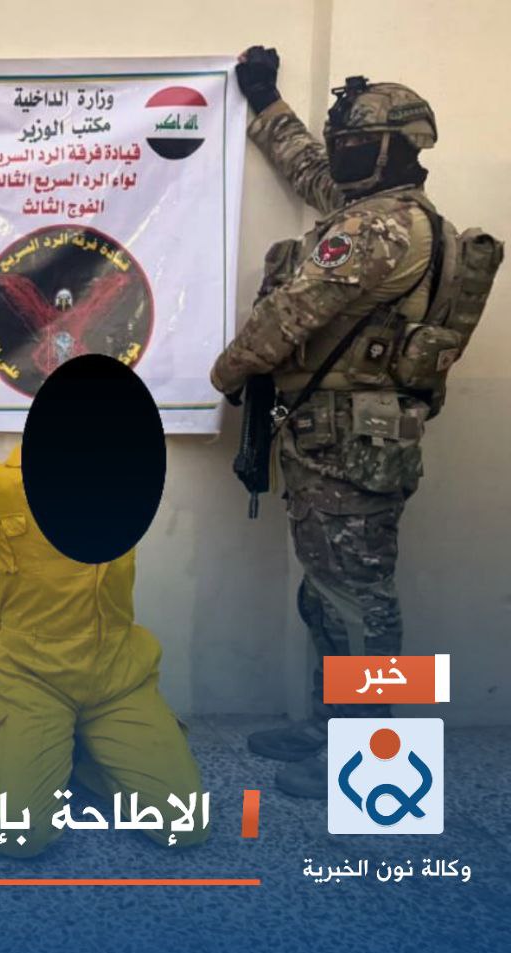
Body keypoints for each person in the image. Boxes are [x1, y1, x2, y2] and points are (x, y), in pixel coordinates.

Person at [211, 47, 444, 797]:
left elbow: (291, 314)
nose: (340, 153)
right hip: (341, 438)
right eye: (340, 141)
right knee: (328, 593)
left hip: (350, 444)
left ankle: (380, 765)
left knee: (361, 601)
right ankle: (329, 727)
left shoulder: (379, 229)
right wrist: (266, 101)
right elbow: (311, 170)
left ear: (400, 148)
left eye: (356, 143)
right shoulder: (378, 209)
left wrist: (225, 372)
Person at [0, 446, 206, 856]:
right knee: (17, 838)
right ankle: (39, 749)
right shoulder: (8, 485)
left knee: (186, 826)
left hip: (118, 674)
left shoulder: (126, 480)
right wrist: (28, 629)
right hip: (28, 674)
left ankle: (86, 756)